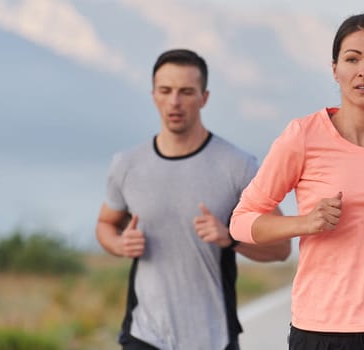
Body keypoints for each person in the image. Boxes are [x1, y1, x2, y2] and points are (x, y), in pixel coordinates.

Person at [229, 13, 364, 350]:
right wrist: (304, 223)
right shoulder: (302, 137)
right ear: (335, 69)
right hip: (323, 328)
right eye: (352, 59)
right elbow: (241, 222)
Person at [95, 49, 291, 350]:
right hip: (144, 333)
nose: (175, 101)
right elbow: (106, 224)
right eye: (166, 91)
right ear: (153, 95)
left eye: (186, 92)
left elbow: (280, 247)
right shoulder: (127, 165)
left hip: (213, 336)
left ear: (204, 97)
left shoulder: (237, 165)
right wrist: (119, 244)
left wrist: (230, 238)